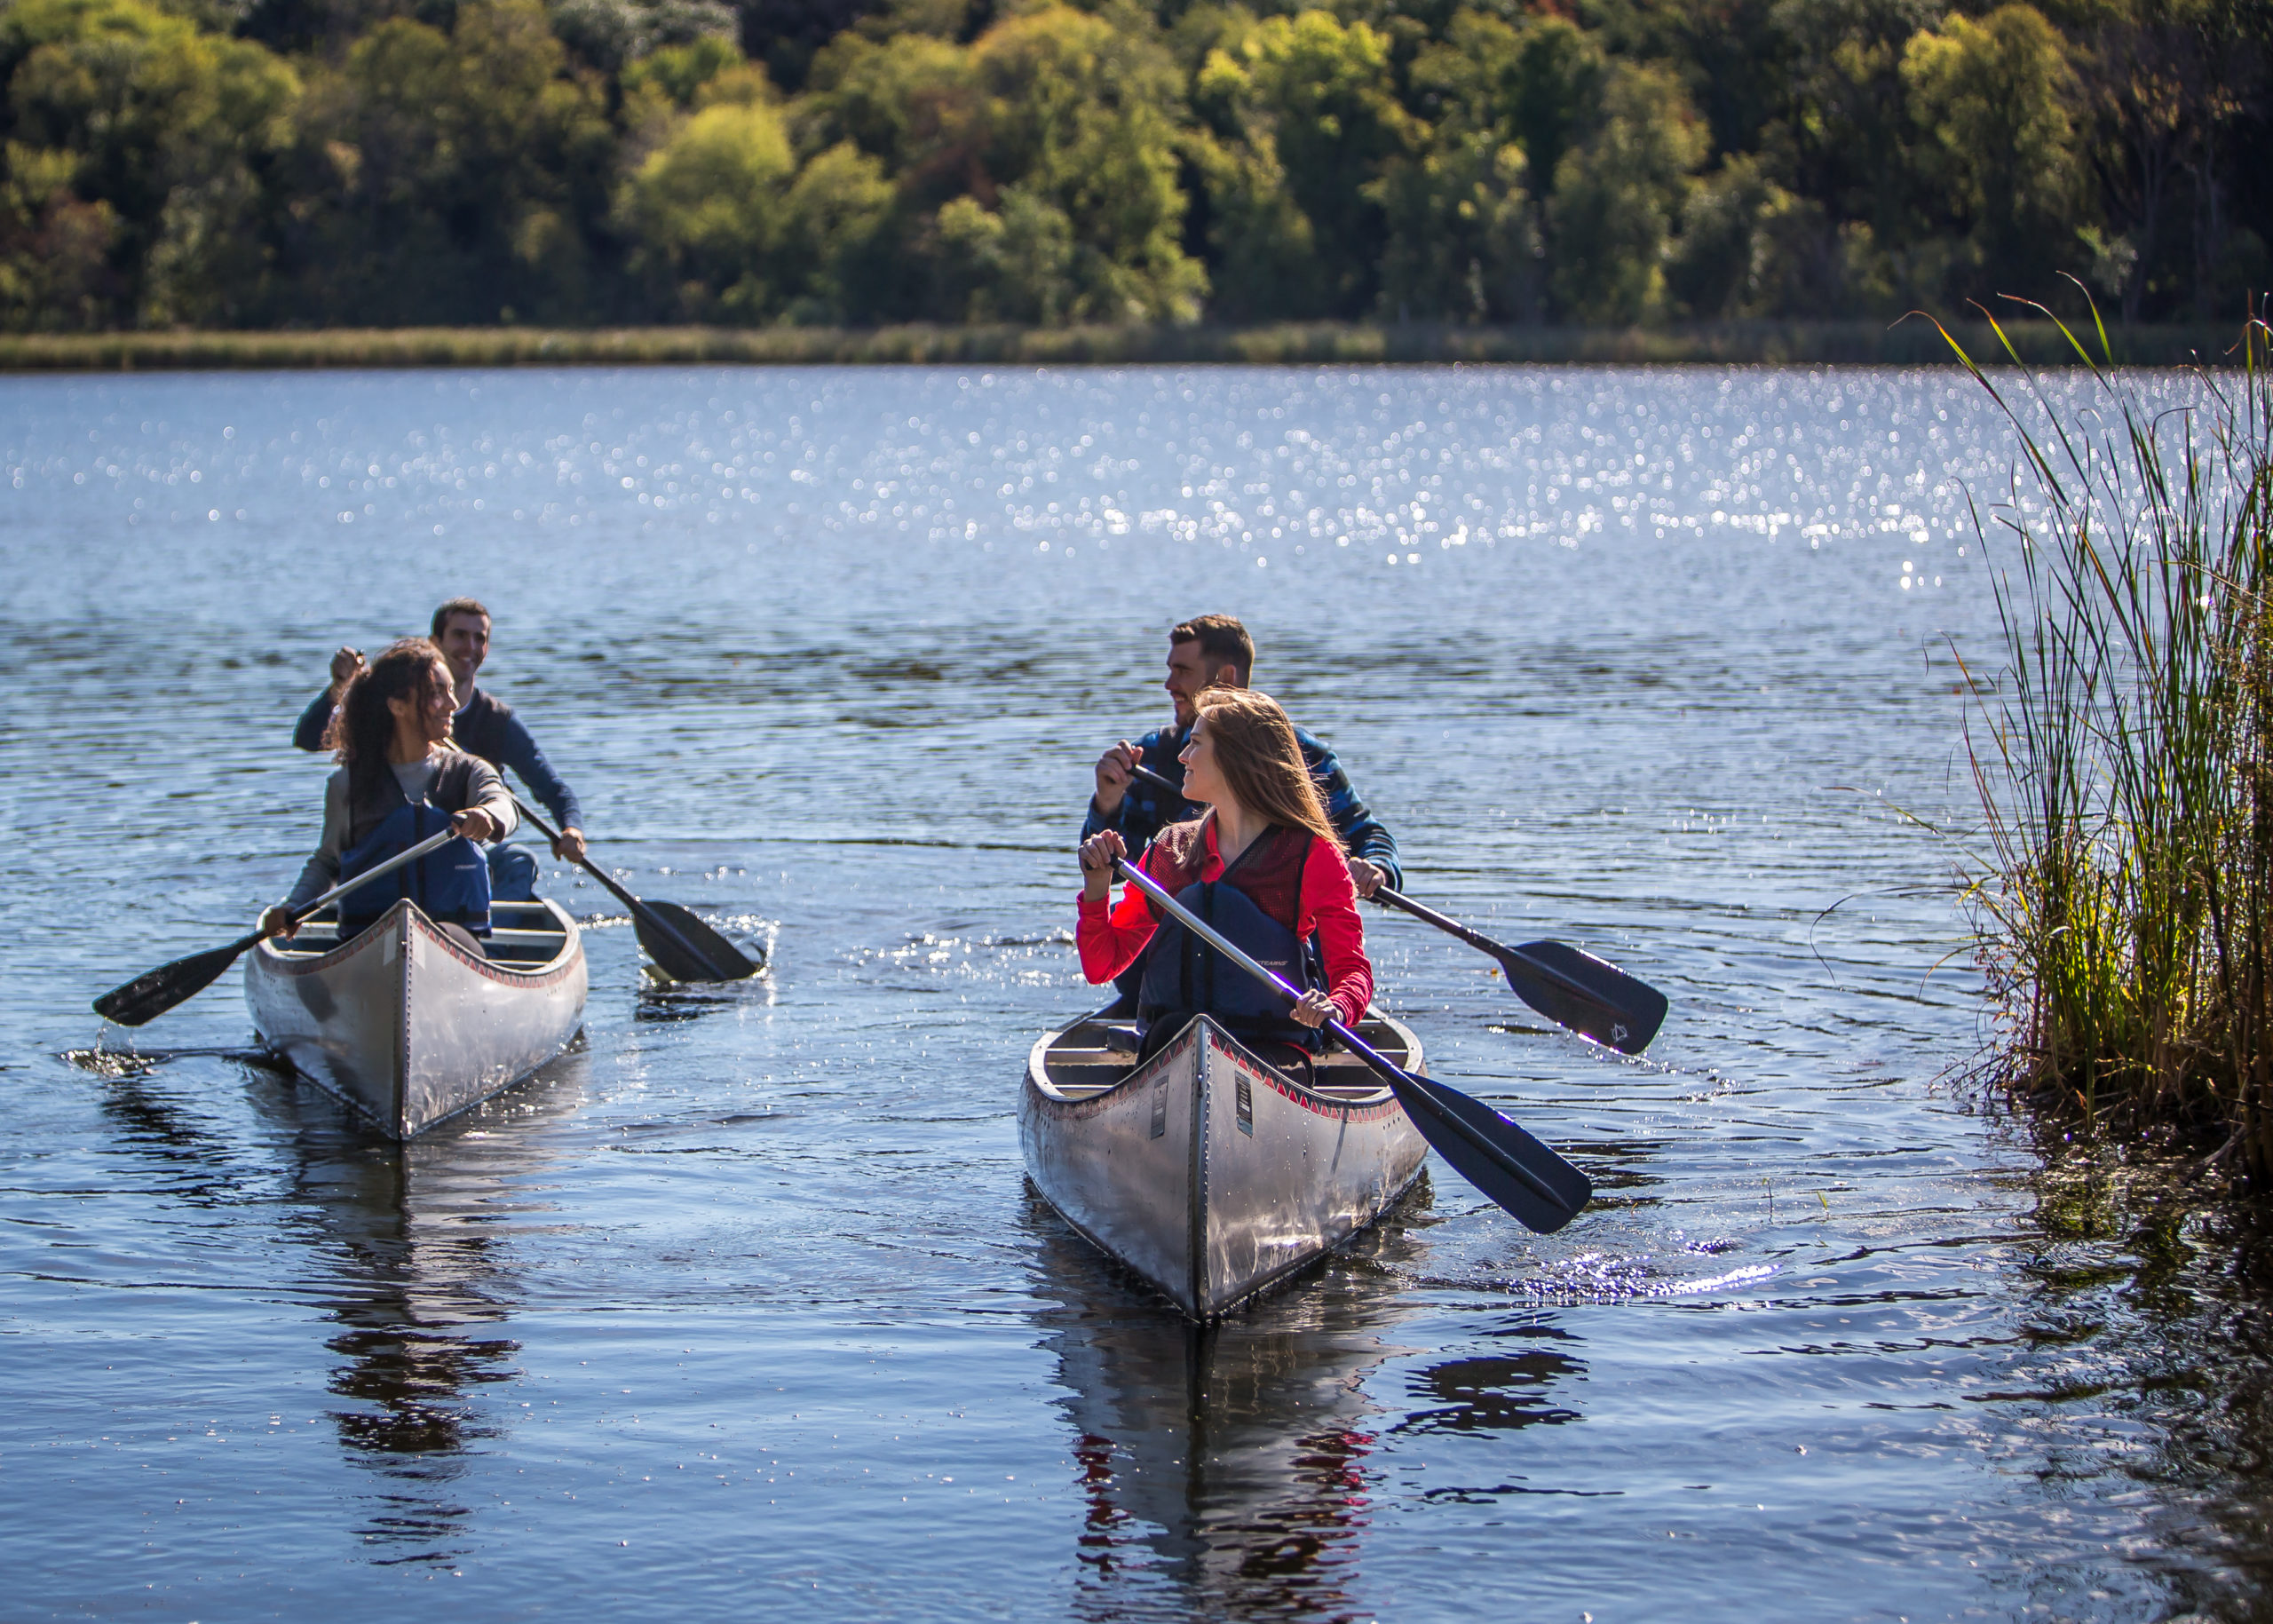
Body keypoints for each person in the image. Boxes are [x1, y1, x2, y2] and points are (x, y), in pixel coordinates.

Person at [1077, 688, 1373, 1067]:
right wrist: (1097, 887)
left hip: (1273, 1057)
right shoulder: (1171, 850)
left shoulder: (1314, 856)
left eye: (1196, 743)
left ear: (1237, 759)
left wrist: (1336, 1006)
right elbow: (1102, 966)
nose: (1182, 755)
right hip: (1171, 1052)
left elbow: (1352, 971)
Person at [1082, 614, 1402, 898]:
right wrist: (1107, 801)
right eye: (1170, 670)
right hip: (1183, 942)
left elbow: (1368, 834)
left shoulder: (1303, 757)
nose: (1169, 684)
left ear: (1226, 678)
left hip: (1283, 948)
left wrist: (1376, 869)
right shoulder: (1151, 757)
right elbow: (1115, 870)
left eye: (1182, 671)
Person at [296, 598, 582, 900]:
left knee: (518, 861)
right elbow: (311, 738)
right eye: (460, 635)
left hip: (462, 847)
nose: (470, 647)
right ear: (435, 643)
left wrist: (568, 828)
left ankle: (488, 941)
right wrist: (340, 687)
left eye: (480, 638)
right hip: (386, 853)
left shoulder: (495, 726)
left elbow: (533, 793)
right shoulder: (387, 717)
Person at [261, 639, 519, 947]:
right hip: (365, 940)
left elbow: (503, 805)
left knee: (427, 940)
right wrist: (293, 906)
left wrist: (488, 816)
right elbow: (328, 863)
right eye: (437, 693)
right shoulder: (347, 785)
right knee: (390, 940)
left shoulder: (469, 771)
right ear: (397, 706)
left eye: (451, 690)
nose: (453, 705)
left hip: (457, 939)